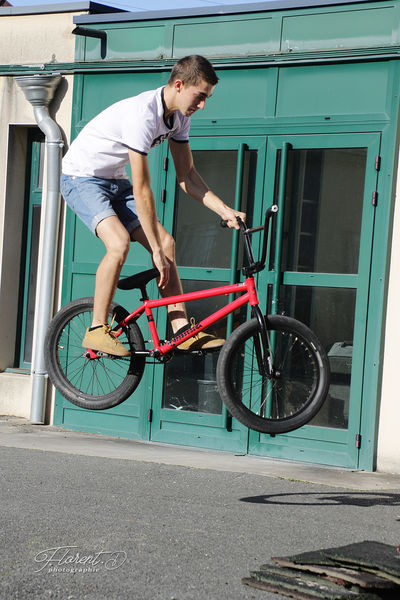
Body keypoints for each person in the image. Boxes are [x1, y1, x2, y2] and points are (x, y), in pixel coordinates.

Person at [61, 55, 245, 356]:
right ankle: (96, 329)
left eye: (206, 99)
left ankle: (181, 331)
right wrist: (154, 251)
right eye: (200, 97)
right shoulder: (143, 115)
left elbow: (186, 175)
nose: (202, 106)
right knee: (119, 243)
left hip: (113, 181)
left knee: (167, 242)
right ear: (178, 84)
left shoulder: (179, 118)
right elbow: (143, 188)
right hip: (82, 178)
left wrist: (224, 210)